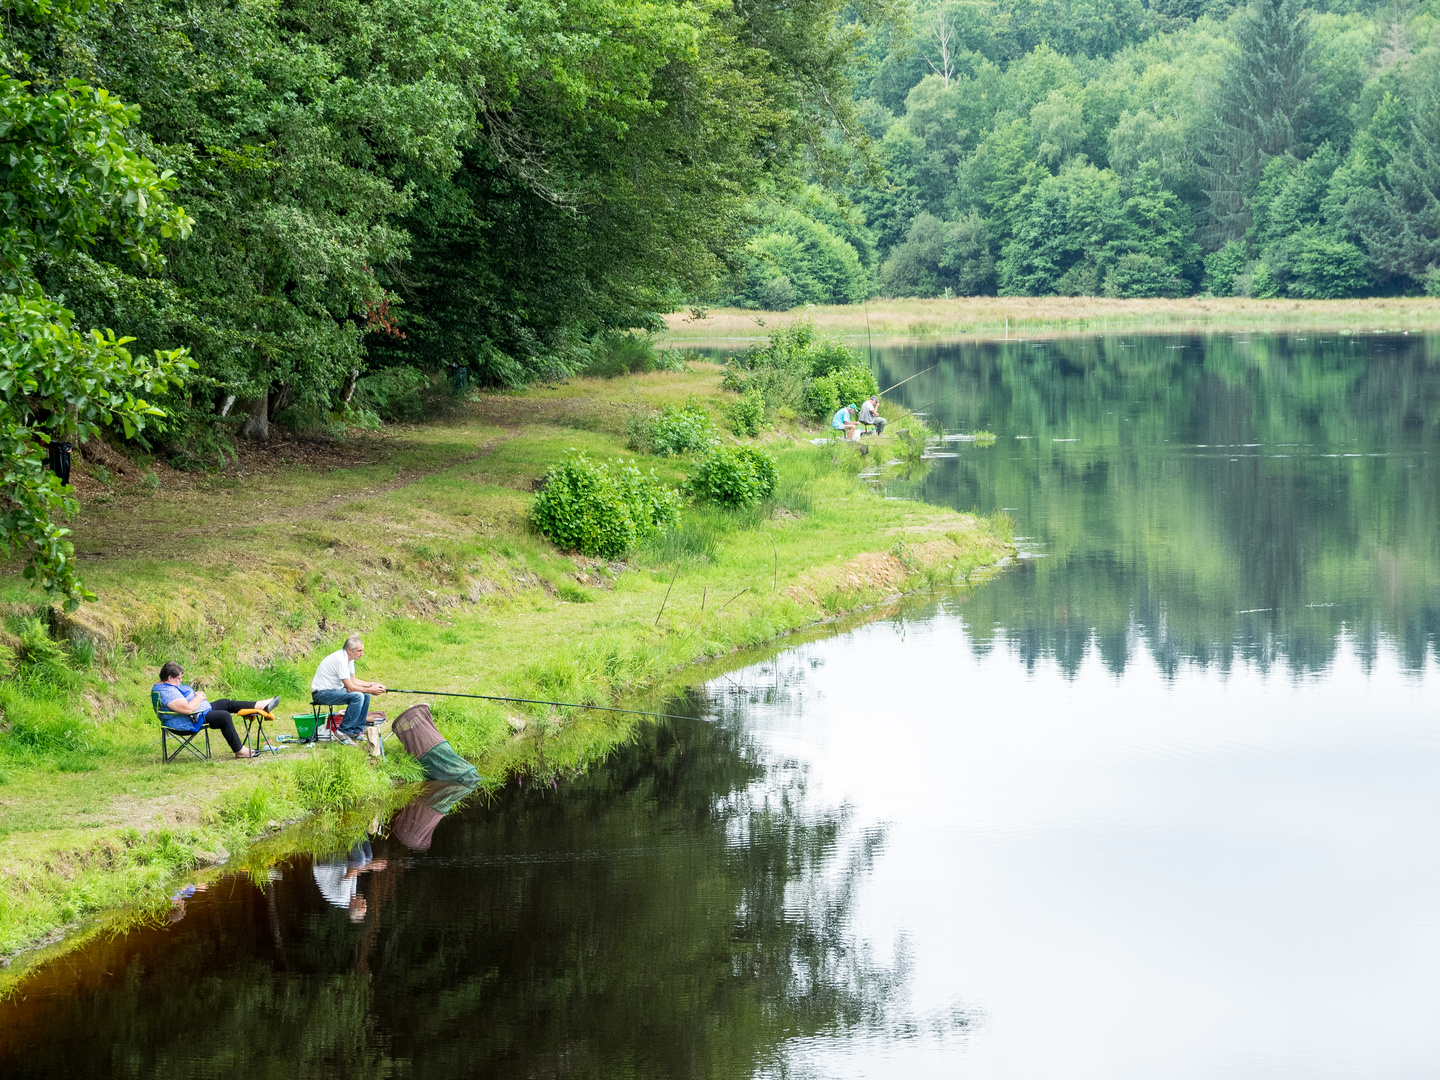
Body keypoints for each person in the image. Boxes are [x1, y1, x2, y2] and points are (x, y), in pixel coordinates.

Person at [152, 662, 280, 759]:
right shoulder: (168, 692)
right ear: (169, 678)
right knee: (224, 716)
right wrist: (199, 697)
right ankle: (240, 750)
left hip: (196, 713)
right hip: (188, 721)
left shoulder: (164, 686)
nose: (180, 682)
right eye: (178, 679)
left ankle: (261, 705)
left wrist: (196, 695)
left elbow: (183, 701)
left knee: (225, 703)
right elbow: (187, 708)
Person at [311, 634, 386, 743]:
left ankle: (356, 731)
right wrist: (371, 690)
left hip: (335, 690)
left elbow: (353, 680)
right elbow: (350, 688)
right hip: (322, 693)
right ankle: (342, 732)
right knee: (358, 696)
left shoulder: (349, 659)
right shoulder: (340, 660)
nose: (362, 654)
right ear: (350, 650)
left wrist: (372, 685)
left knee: (366, 695)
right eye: (359, 651)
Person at [312, 840, 387, 922]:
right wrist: (372, 865)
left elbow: (352, 870)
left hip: (322, 861)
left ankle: (355, 834)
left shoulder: (343, 897)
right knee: (368, 858)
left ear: (352, 906)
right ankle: (361, 831)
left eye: (362, 904)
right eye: (364, 904)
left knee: (360, 861)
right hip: (334, 863)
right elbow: (355, 872)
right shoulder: (351, 896)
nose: (364, 901)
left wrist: (371, 866)